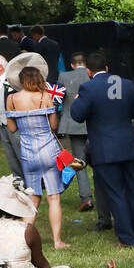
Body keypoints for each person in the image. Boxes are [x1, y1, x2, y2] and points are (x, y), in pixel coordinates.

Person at [70, 52, 134, 248]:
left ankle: (127, 238)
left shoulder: (88, 88)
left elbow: (77, 116)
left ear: (88, 71)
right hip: (128, 145)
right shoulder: (127, 85)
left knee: (116, 193)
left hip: (105, 148)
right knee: (133, 190)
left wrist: (78, 99)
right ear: (107, 68)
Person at [5, 64, 70, 249]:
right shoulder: (46, 96)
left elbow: (12, 128)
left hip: (28, 152)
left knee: (32, 198)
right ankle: (57, 241)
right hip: (48, 150)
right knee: (53, 197)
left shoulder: (11, 99)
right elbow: (54, 126)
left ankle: (22, 241)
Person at [56, 52, 95, 213]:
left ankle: (86, 198)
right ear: (85, 64)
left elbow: (58, 99)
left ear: (72, 65)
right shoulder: (92, 76)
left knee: (78, 162)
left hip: (73, 124)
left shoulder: (64, 76)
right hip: (93, 124)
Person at [0, 54, 23, 179]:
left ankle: (29, 181)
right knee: (10, 153)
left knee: (20, 152)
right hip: (2, 124)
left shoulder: (13, 80)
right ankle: (17, 179)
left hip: (14, 124)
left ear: (0, 67)